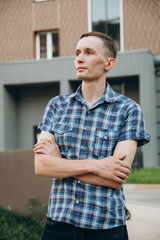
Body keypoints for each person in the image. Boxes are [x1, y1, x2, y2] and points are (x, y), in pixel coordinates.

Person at [34, 32, 150, 240]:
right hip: (59, 225)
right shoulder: (56, 106)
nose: (79, 58)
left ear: (109, 63)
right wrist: (96, 166)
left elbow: (116, 177)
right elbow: (41, 166)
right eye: (77, 52)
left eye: (89, 52)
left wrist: (60, 163)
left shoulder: (128, 110)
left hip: (106, 227)